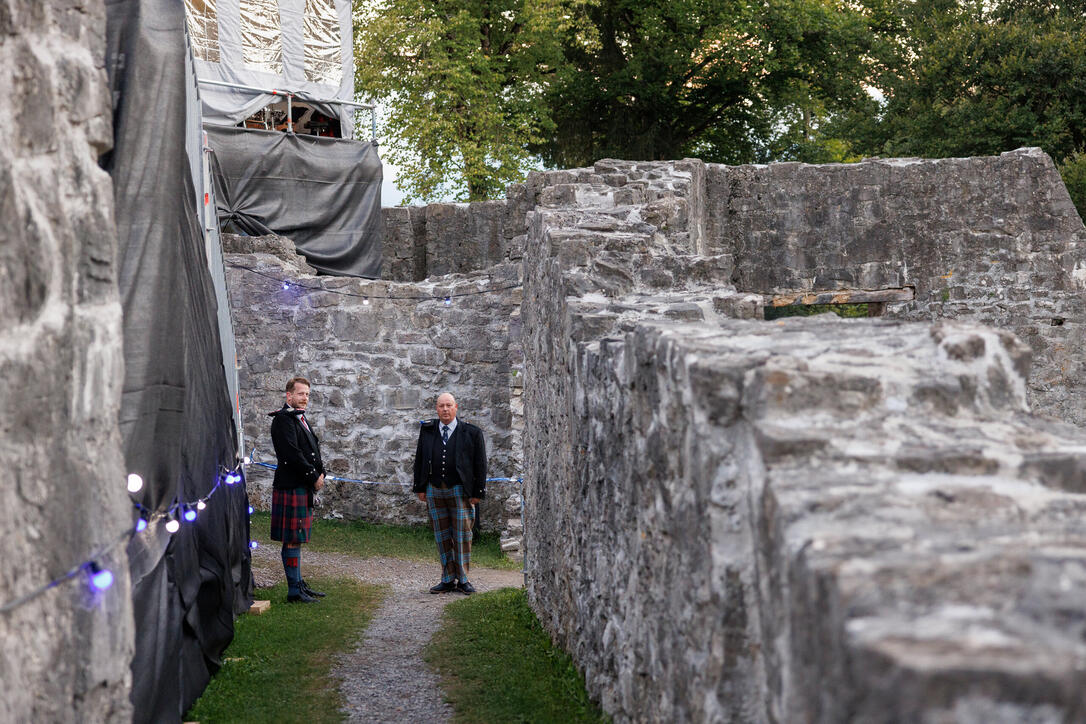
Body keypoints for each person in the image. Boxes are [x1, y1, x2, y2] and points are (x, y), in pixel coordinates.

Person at [413, 392, 487, 595]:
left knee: (462, 535)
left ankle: (463, 579)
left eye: (448, 405)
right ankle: (447, 578)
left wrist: (477, 492)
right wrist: (420, 487)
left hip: (460, 490)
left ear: (456, 407)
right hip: (434, 489)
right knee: (442, 535)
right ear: (436, 409)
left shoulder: (472, 433)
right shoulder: (427, 430)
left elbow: (480, 465)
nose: (445, 409)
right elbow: (420, 459)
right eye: (441, 406)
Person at [269, 376, 326, 603]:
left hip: (301, 485)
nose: (305, 399)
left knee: (297, 538)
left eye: (307, 395)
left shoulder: (299, 419)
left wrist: (322, 473)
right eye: (301, 394)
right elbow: (293, 454)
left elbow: (312, 450)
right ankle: (294, 589)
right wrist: (313, 477)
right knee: (292, 538)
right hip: (291, 485)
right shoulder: (283, 419)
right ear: (289, 395)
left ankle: (298, 584)